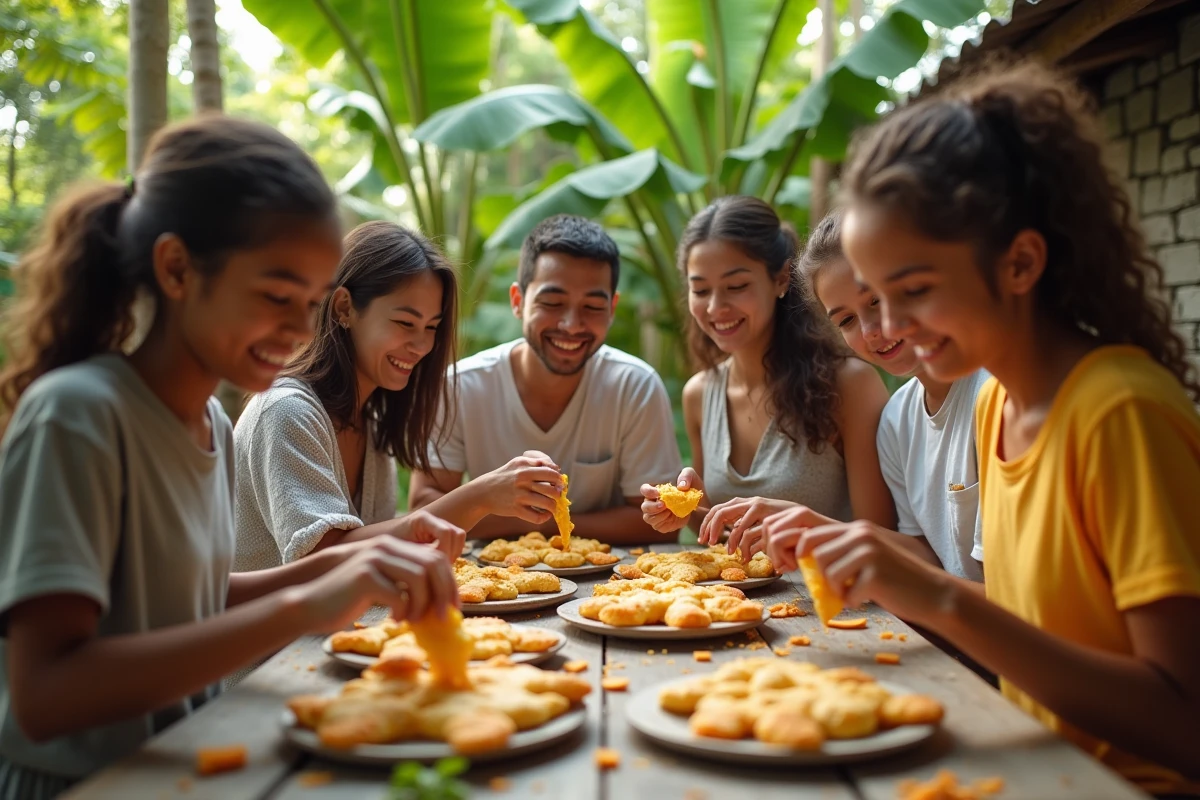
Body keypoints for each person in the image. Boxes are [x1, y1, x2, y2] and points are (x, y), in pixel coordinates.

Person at [764, 62, 1200, 795]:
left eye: (914, 291)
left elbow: (1185, 724)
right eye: (864, 307)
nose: (889, 329)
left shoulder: (1118, 413)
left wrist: (937, 596)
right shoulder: (1004, 406)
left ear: (1021, 261)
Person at [0, 117, 459, 799]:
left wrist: (354, 564)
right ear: (178, 268)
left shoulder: (208, 419)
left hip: (187, 760)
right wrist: (305, 604)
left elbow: (196, 598)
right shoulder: (81, 414)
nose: (300, 330)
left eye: (309, 304)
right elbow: (46, 694)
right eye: (277, 297)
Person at [234, 221, 563, 571]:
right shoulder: (285, 412)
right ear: (344, 308)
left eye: (432, 328)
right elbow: (323, 561)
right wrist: (479, 496)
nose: (422, 345)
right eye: (406, 323)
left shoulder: (371, 423)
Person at [639, 196, 895, 553]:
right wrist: (685, 509)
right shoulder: (700, 393)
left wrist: (799, 525)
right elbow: (719, 530)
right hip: (733, 602)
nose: (715, 307)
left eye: (736, 286)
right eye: (700, 290)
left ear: (781, 279)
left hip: (834, 602)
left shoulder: (849, 384)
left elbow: (883, 537)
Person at [409, 214, 682, 545]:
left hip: (612, 582)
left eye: (593, 307)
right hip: (492, 581)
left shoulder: (635, 386)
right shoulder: (460, 385)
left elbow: (657, 522)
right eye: (552, 303)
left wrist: (538, 523)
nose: (571, 324)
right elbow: (422, 512)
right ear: (518, 301)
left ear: (612, 309)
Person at [796, 209, 988, 583]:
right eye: (846, 321)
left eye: (876, 300)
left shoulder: (993, 396)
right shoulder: (896, 421)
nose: (871, 330)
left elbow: (1008, 597)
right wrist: (812, 529)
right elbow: (927, 558)